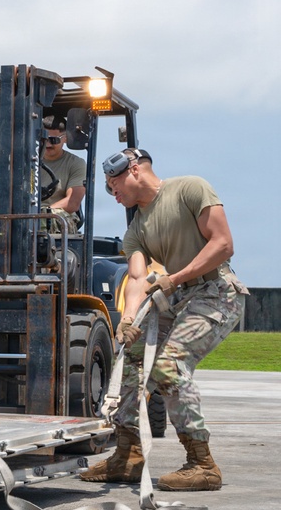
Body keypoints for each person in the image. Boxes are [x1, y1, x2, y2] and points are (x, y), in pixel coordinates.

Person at [80, 148, 247, 491]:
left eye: (116, 186)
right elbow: (139, 279)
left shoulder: (190, 189)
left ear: (135, 169)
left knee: (169, 364)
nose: (115, 195)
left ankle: (202, 464)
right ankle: (127, 455)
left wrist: (177, 276)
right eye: (111, 191)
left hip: (218, 292)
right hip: (181, 296)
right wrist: (127, 320)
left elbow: (223, 244)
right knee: (132, 359)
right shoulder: (137, 229)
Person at [0, 114, 85, 233]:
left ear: (65, 138)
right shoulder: (24, 161)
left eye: (53, 140)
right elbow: (3, 191)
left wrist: (40, 214)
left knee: (52, 219)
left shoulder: (76, 164)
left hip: (52, 218)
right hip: (23, 216)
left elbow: (72, 203)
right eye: (44, 140)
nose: (48, 144)